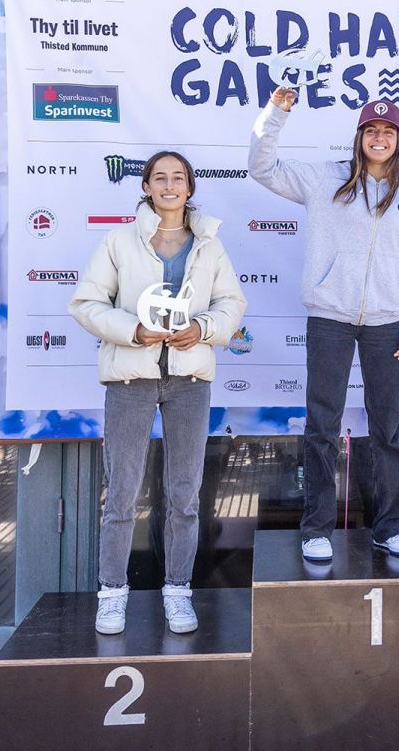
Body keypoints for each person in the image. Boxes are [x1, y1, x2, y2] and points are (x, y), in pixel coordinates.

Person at [249, 88, 399, 562]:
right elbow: (262, 167)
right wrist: (276, 113)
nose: (379, 138)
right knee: (322, 426)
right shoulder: (323, 178)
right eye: (371, 130)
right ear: (359, 136)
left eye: (388, 131)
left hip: (388, 324)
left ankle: (390, 527)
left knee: (387, 429)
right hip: (329, 317)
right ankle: (316, 529)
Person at [69, 151, 246, 634]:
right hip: (131, 379)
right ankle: (112, 593)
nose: (170, 186)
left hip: (189, 382)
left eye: (178, 178)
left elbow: (231, 303)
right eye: (160, 178)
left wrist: (203, 328)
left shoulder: (209, 246)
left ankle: (178, 591)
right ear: (146, 186)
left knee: (185, 495)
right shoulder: (118, 241)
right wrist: (134, 331)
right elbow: (86, 303)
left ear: (190, 187)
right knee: (122, 494)